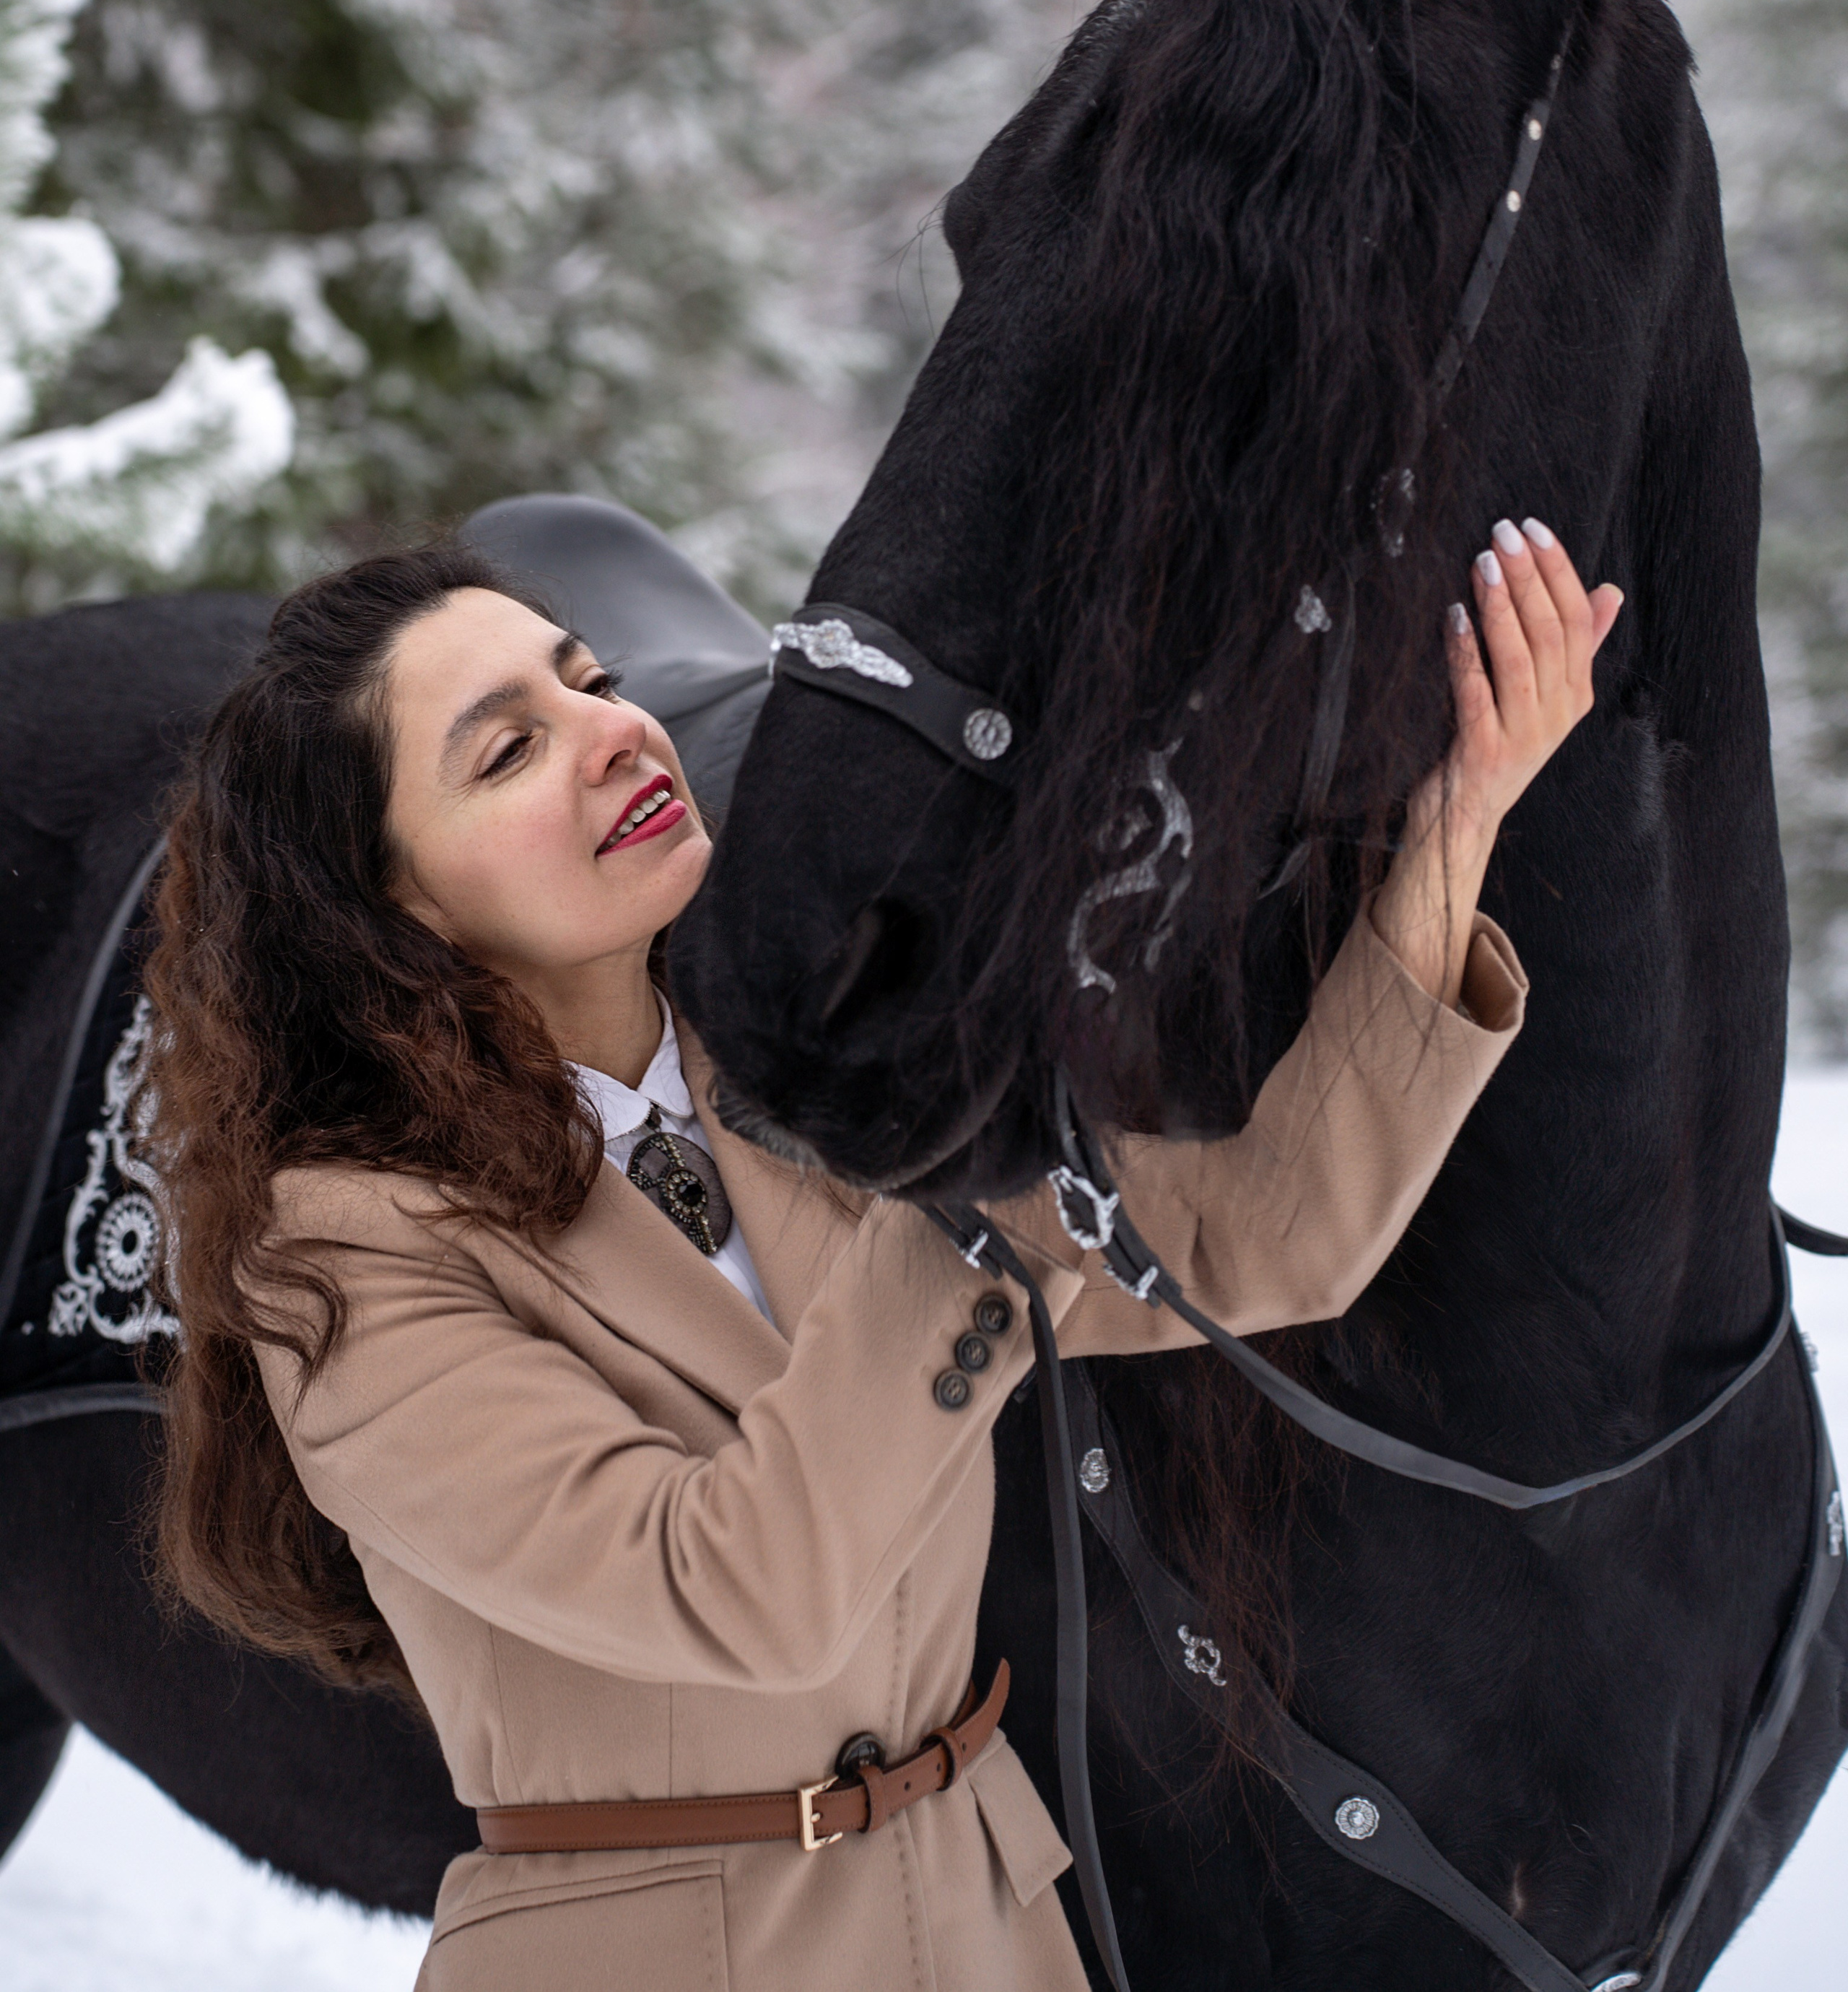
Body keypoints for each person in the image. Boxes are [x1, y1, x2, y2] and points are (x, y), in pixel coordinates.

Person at [147, 518, 1619, 1992]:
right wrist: (961, 1171)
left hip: (984, 1932)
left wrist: (1459, 820)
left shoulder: (798, 1082)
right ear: (388, 905)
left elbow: (1262, 1238)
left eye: (591, 683)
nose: (611, 735)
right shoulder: (346, 1254)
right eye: (508, 751)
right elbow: (741, 1589)